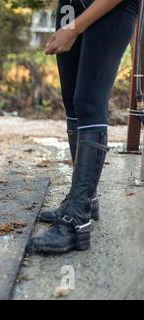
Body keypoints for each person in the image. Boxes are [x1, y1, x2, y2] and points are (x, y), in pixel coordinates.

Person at [28, 0, 141, 254]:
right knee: (72, 102)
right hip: (71, 5)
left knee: (89, 101)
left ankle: (77, 221)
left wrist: (74, 28)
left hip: (111, 6)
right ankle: (85, 199)